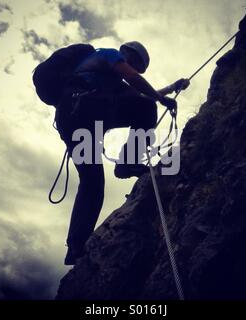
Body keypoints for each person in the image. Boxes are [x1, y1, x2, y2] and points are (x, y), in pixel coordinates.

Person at [54, 41, 190, 265]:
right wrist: (160, 100)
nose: (135, 69)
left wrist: (171, 88)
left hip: (74, 119)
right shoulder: (109, 55)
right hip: (87, 111)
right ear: (127, 52)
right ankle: (128, 162)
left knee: (92, 183)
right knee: (147, 108)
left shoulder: (102, 77)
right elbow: (136, 83)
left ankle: (75, 247)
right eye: (135, 63)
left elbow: (140, 92)